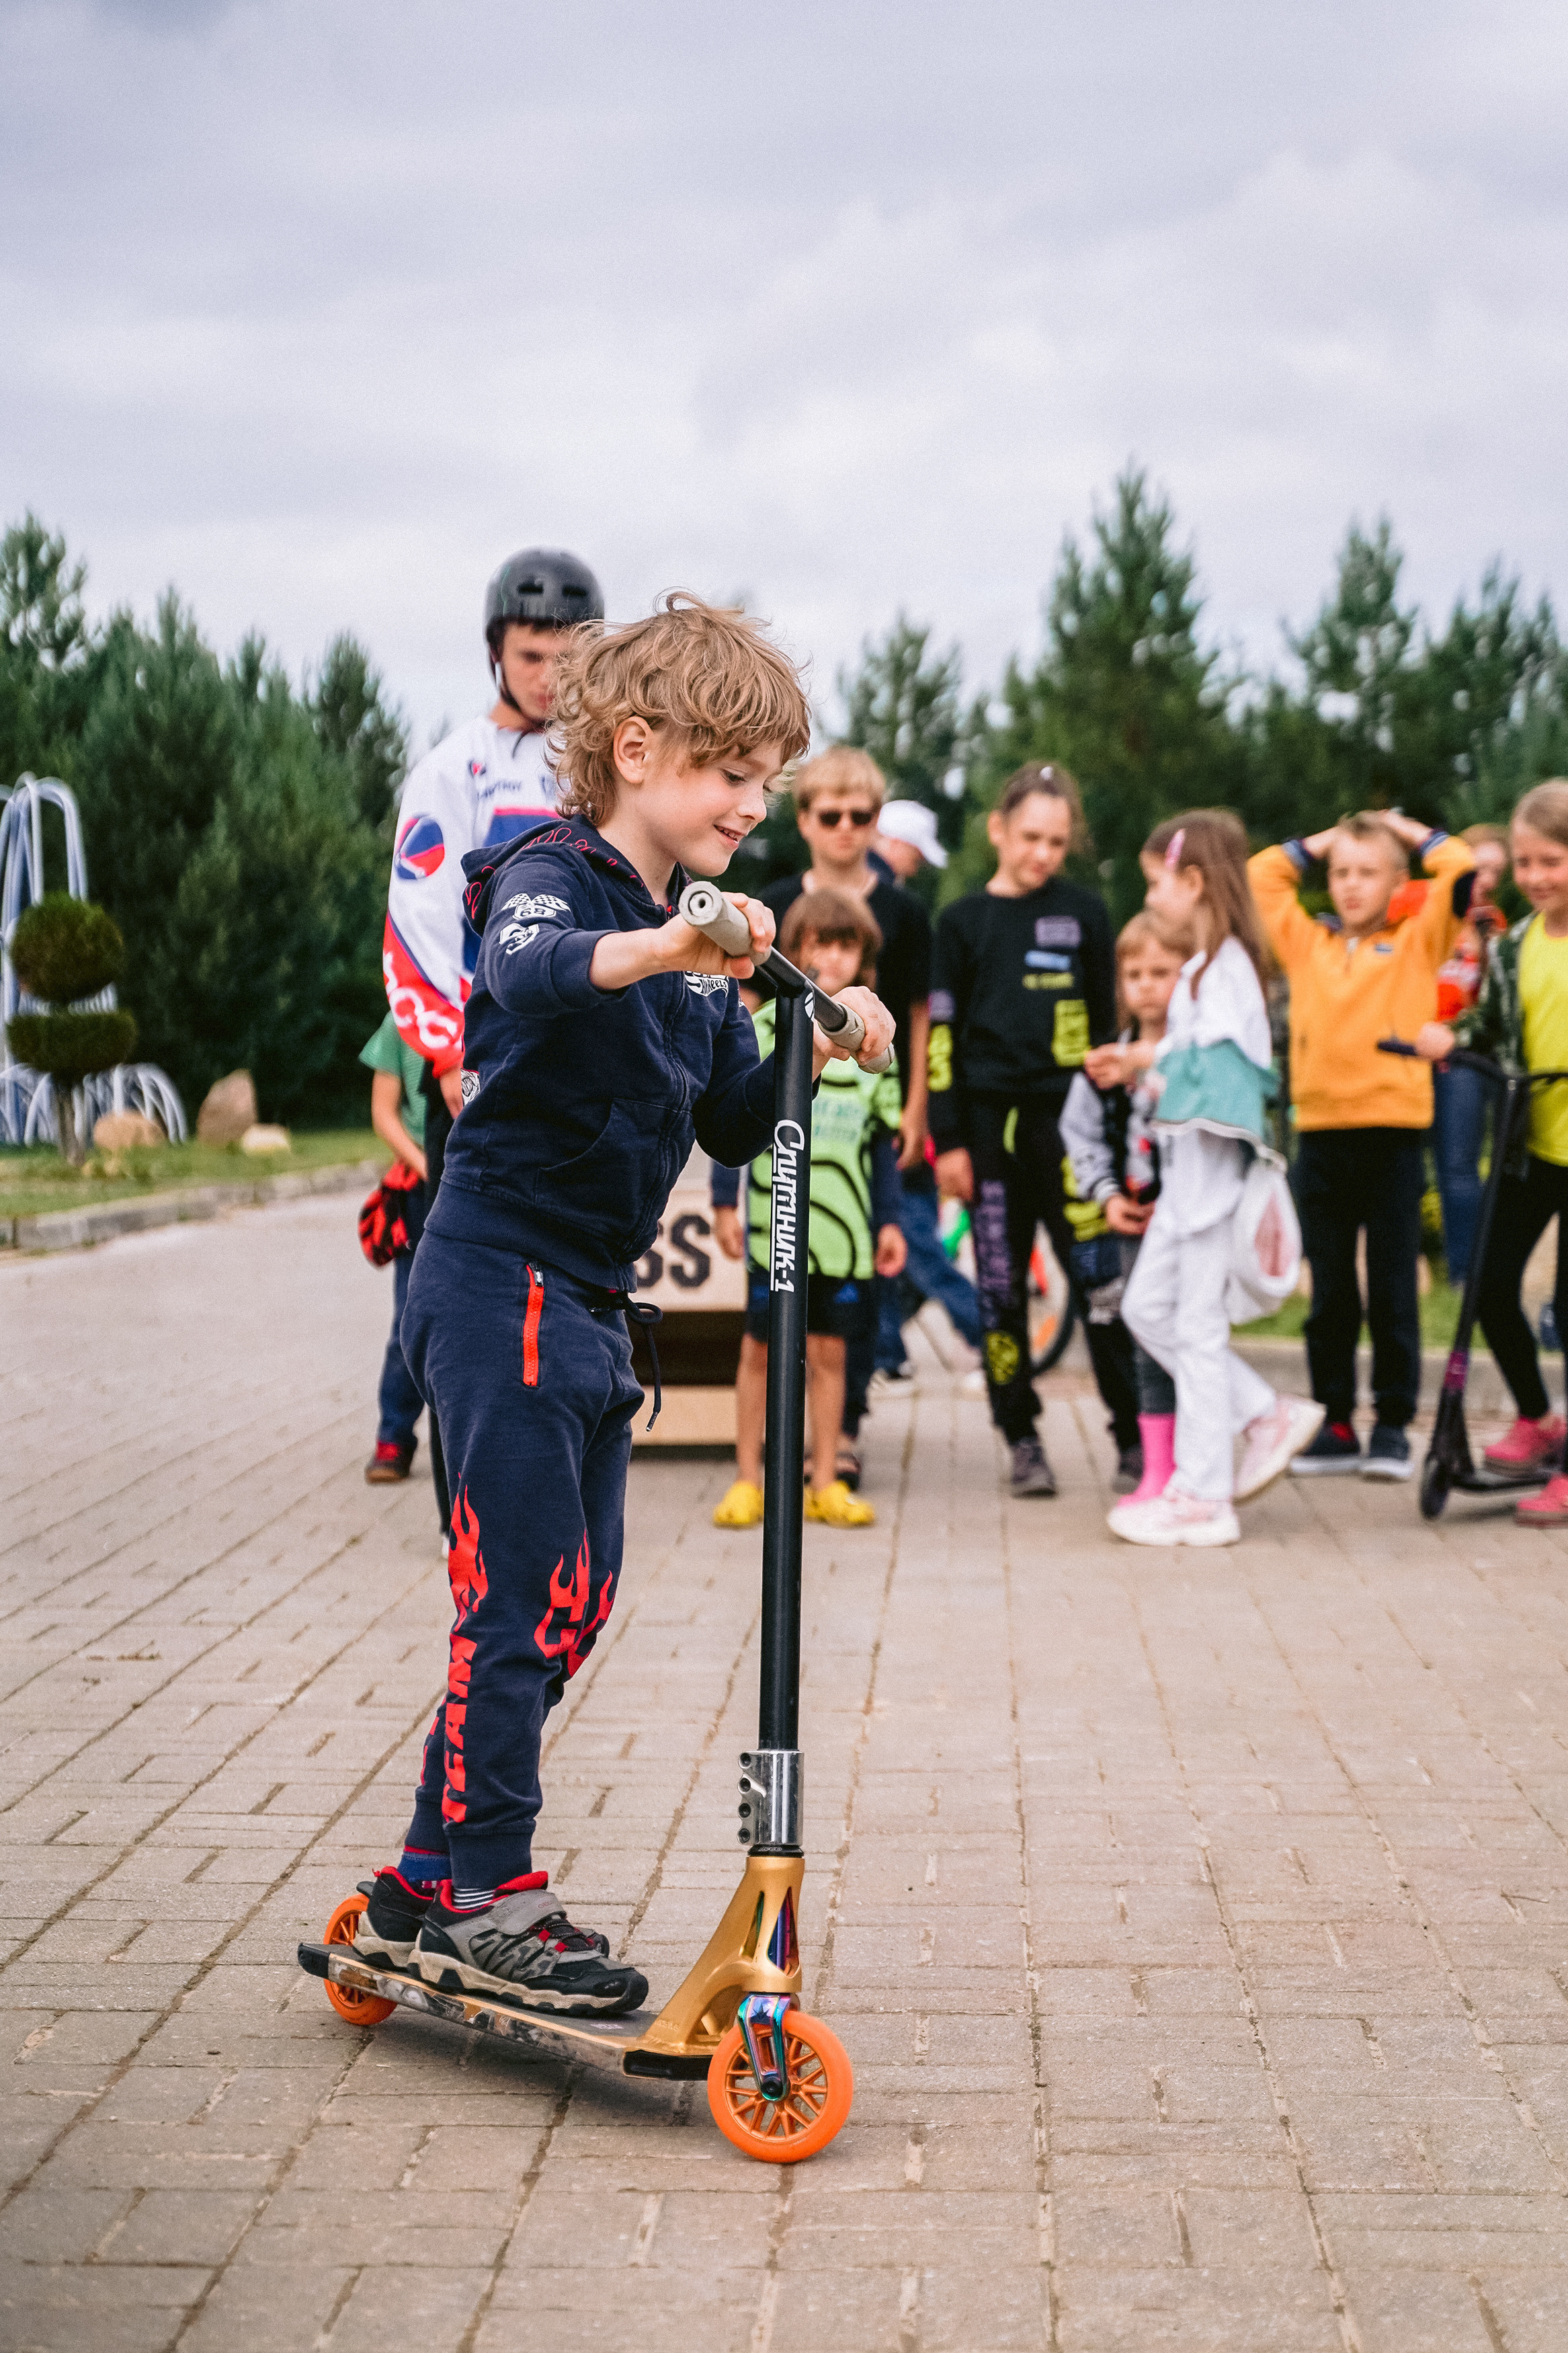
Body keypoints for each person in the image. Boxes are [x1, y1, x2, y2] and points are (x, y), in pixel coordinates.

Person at [349, 594, 893, 2016]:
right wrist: (667, 947)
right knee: (516, 1597)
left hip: (587, 1304)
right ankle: (489, 1891)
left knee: (564, 1602)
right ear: (635, 749)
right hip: (495, 1279)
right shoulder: (553, 869)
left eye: (767, 782)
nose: (752, 806)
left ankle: (423, 1873)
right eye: (732, 773)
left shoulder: (691, 942)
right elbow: (520, 973)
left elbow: (720, 1121)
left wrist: (805, 1028)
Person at [1096, 813, 1323, 1547]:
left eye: (1155, 879)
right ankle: (1261, 1412)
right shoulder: (1204, 968)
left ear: (1190, 882)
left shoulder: (1225, 968)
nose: (1151, 894)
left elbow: (1223, 1072)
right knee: (1147, 1309)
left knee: (1191, 1329)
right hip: (1184, 1181)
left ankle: (1202, 1493)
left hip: (1210, 1186)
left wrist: (1148, 1066)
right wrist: (1151, 1065)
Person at [927, 762, 1139, 1497]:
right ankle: (1020, 1435)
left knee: (1100, 1283)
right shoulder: (958, 921)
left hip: (1069, 1127)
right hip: (987, 1133)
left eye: (1055, 840)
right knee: (998, 1291)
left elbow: (1109, 1025)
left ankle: (1132, 1438)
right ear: (997, 830)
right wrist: (948, 1142)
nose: (1041, 852)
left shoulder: (1084, 911)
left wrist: (1111, 1140)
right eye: (1028, 837)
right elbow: (941, 1042)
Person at [1250, 811, 1475, 1478]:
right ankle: (1335, 1421)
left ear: (1395, 881)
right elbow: (1258, 875)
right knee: (1329, 1293)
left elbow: (1460, 868)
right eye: (1340, 873)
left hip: (1392, 1132)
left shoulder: (1416, 941)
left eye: (1366, 873)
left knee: (1389, 1287)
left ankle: (1393, 1425)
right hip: (1320, 1133)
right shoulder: (1306, 943)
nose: (1350, 886)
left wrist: (1399, 828)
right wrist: (1320, 840)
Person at [711, 891, 907, 1530]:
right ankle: (748, 1479)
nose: (831, 955)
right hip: (776, 1232)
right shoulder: (763, 1027)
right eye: (818, 942)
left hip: (844, 1237)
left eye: (845, 944)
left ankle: (824, 1480)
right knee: (759, 1354)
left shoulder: (873, 1051)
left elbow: (881, 1149)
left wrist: (889, 1222)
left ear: (863, 960)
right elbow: (732, 1116)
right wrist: (722, 1203)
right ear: (794, 953)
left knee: (829, 1358)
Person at [759, 752, 946, 1406]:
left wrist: (917, 1107)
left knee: (867, 1267)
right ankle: (793, 1424)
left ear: (875, 822)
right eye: (829, 814)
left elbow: (921, 1016)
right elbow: (745, 1011)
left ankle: (848, 1425)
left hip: (875, 1102)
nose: (845, 827)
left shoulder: (904, 911)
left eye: (859, 815)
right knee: (788, 1270)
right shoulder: (777, 904)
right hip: (793, 1099)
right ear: (804, 819)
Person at [1418, 781, 1568, 1523]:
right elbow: (1489, 1018)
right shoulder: (1513, 944)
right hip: (1534, 1145)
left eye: (1553, 861)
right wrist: (1450, 1035)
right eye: (1526, 863)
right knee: (1488, 1282)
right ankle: (1539, 1418)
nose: (1537, 877)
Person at [1064, 914, 1188, 1504]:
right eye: (1134, 973)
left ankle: (1198, 1455)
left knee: (1194, 1335)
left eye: (1161, 972)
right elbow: (1080, 1133)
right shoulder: (1105, 1065)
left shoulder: (1195, 1057)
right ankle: (1155, 1462)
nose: (1146, 985)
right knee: (1143, 1333)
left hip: (1192, 1218)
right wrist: (1107, 1194)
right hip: (1137, 1221)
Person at [1432, 824, 1511, 1283]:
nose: (1485, 880)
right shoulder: (1420, 905)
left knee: (1458, 1165)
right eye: (1478, 867)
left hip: (1462, 1058)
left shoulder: (1492, 923)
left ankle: (1465, 1269)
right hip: (1412, 1047)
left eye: (1494, 872)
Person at [360, 1011, 429, 1483]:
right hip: (424, 1182)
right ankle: (394, 1434)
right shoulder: (401, 1016)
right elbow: (384, 1113)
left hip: (485, 1175)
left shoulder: (497, 989)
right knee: (411, 1317)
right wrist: (425, 1164)